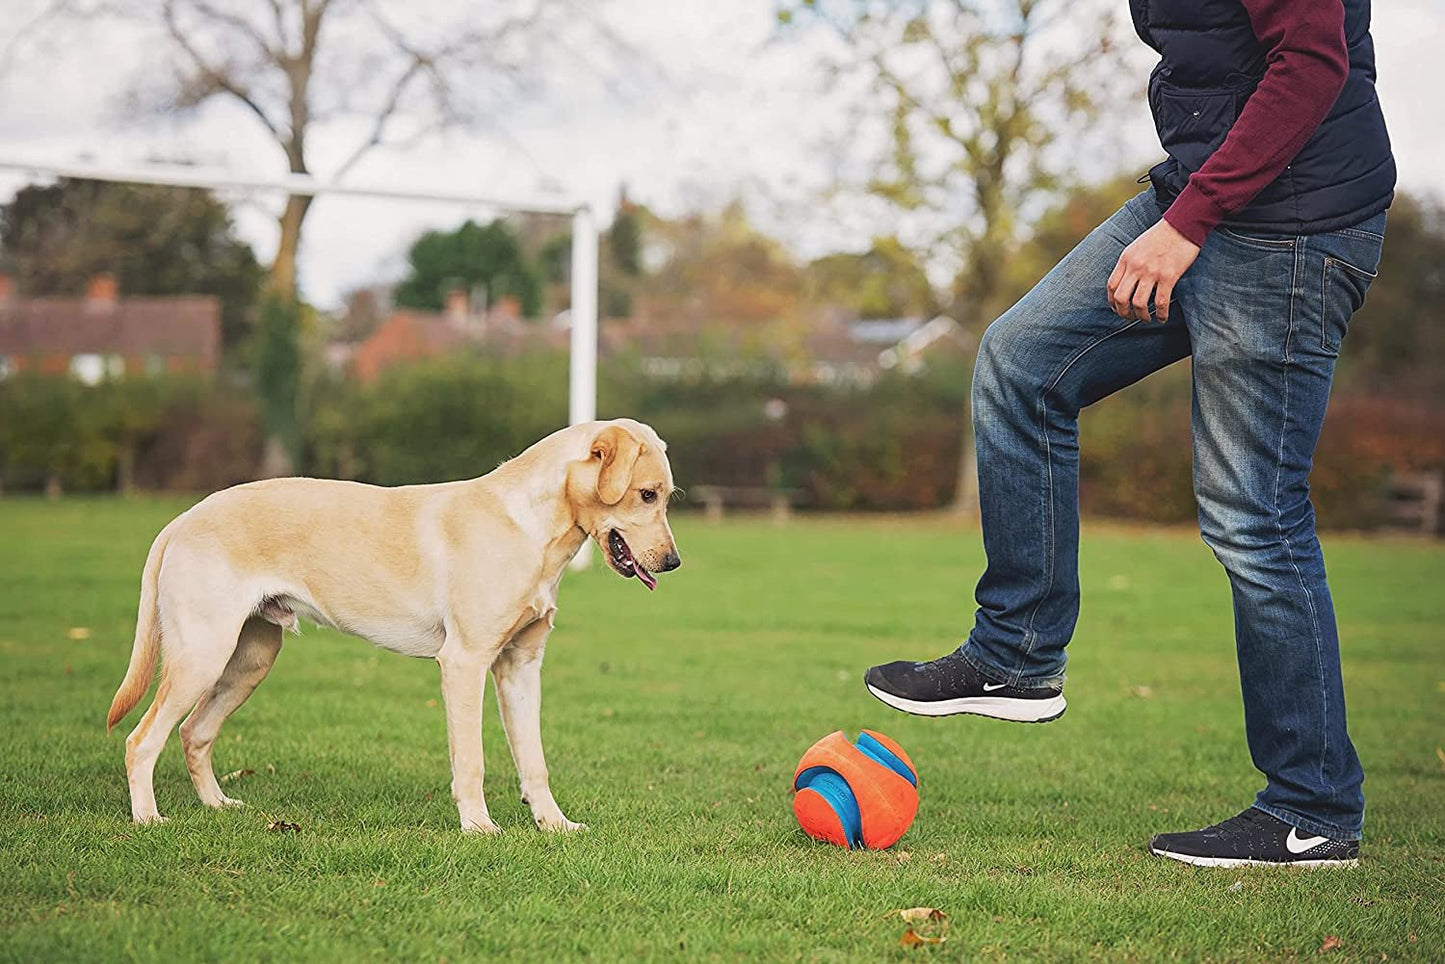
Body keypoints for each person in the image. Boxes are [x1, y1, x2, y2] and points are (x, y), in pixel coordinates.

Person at [864, 0, 1394, 869]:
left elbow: (1309, 61)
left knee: (1252, 516)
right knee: (1020, 364)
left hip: (1293, 223)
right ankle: (1017, 655)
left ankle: (1312, 808)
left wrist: (1186, 226)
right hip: (1202, 191)